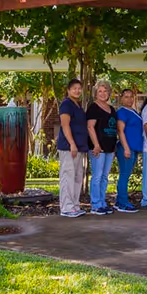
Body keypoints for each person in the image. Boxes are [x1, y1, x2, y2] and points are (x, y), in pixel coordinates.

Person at [56, 79, 88, 218]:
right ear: (68, 90)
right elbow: (65, 125)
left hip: (79, 147)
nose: (77, 90)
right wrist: (72, 144)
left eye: (79, 88)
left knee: (76, 177)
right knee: (67, 176)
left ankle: (74, 205)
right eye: (74, 88)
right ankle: (66, 207)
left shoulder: (78, 106)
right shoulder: (66, 104)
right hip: (69, 147)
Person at [87, 80, 117, 216]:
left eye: (105, 91)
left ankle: (102, 202)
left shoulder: (112, 109)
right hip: (98, 148)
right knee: (97, 176)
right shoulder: (93, 107)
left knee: (105, 177)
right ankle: (95, 205)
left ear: (109, 92)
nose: (103, 93)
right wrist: (96, 145)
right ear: (95, 93)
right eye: (100, 91)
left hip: (110, 147)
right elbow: (90, 127)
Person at [115, 88, 142, 213]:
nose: (129, 99)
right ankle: (123, 203)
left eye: (131, 96)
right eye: (126, 96)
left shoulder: (134, 111)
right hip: (126, 148)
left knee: (126, 174)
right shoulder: (122, 112)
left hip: (134, 148)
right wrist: (126, 148)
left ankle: (119, 201)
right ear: (121, 98)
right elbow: (120, 131)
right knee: (124, 175)